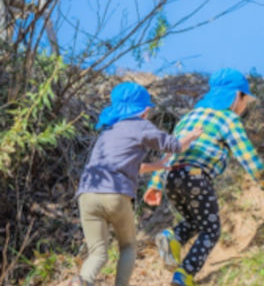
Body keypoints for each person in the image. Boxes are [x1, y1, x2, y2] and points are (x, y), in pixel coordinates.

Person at [143, 68, 264, 286]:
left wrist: (156, 183)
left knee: (196, 221)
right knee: (211, 229)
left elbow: (169, 153)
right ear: (237, 96)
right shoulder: (228, 119)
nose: (244, 106)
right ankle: (184, 275)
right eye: (245, 99)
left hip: (173, 178)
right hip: (195, 177)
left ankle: (172, 237)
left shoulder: (189, 117)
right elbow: (246, 155)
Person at [70, 82, 202, 286]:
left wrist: (156, 165)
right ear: (144, 109)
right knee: (128, 246)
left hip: (87, 194)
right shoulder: (140, 125)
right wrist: (192, 135)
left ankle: (82, 281)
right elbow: (174, 145)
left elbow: (131, 165)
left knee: (97, 252)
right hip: (115, 194)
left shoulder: (108, 130)